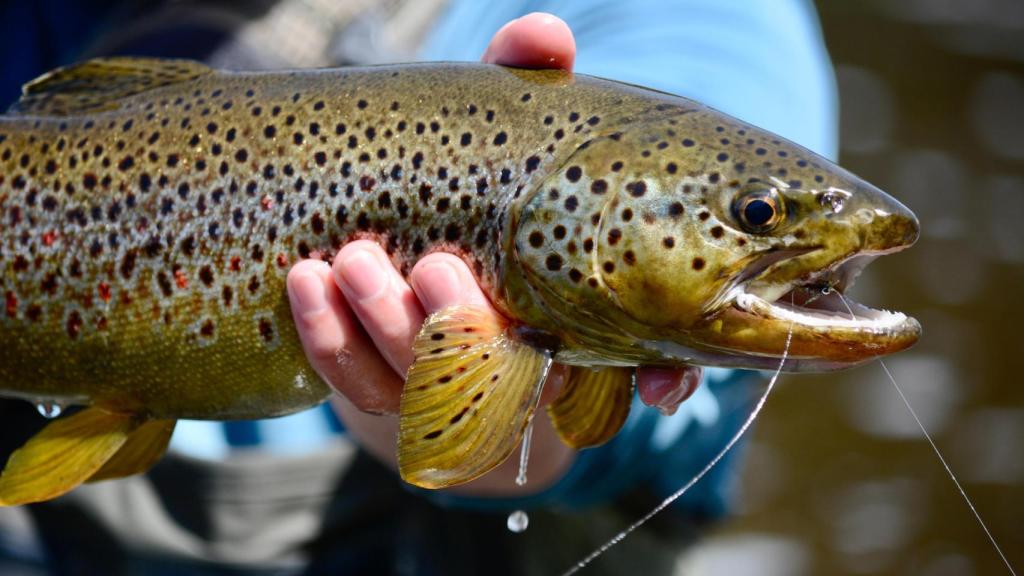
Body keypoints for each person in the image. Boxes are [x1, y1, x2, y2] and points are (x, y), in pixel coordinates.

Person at [0, 2, 837, 574]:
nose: (763, 228)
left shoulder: (693, 22)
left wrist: (525, 431)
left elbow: (688, 398)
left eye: (755, 214)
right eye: (760, 215)